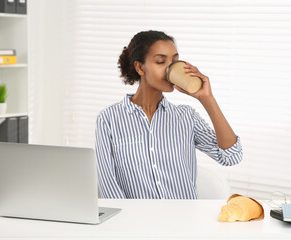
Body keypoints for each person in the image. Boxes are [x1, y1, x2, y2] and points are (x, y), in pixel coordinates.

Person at [95, 30, 243, 199]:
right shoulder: (109, 118)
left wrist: (206, 98)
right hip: (136, 221)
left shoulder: (186, 117)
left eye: (175, 61)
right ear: (140, 67)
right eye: (160, 61)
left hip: (184, 220)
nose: (170, 69)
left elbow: (232, 156)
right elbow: (108, 183)